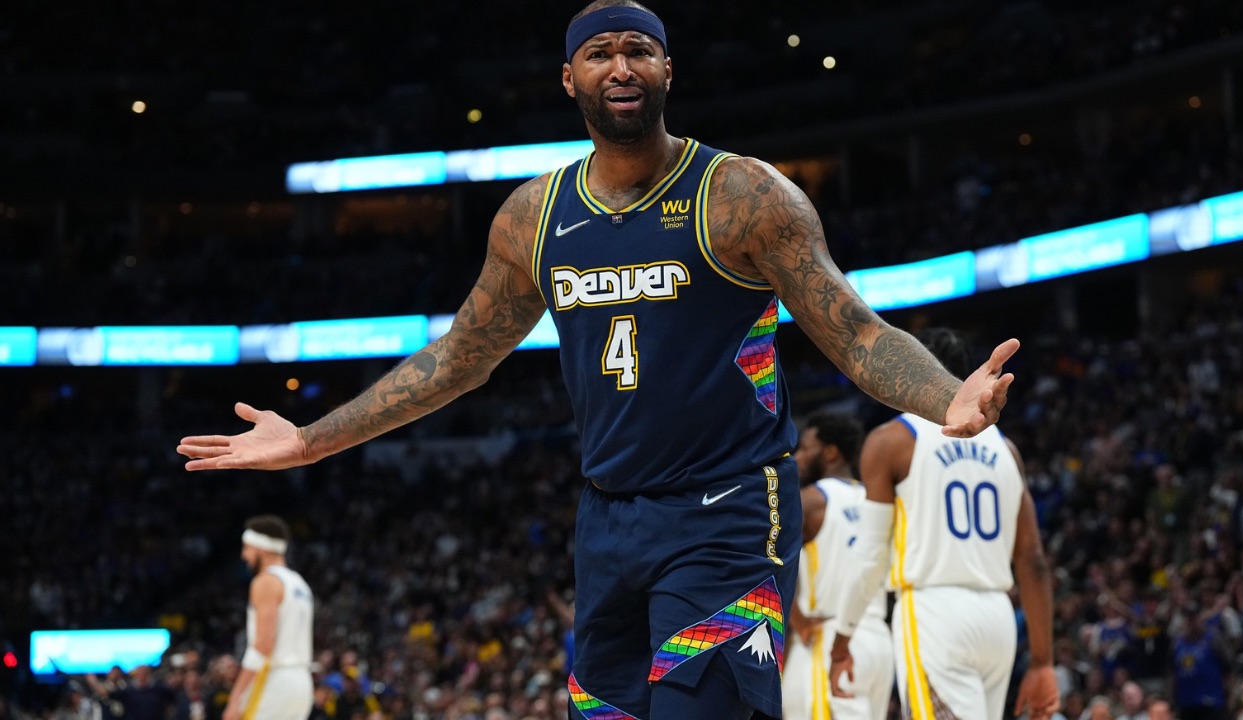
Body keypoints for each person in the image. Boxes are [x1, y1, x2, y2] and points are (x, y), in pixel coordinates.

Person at [176, 3, 1019, 716]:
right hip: (608, 521)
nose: (621, 66)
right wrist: (313, 439)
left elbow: (857, 331)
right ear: (570, 78)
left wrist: (945, 395)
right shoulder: (534, 217)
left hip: (727, 513)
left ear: (666, 71)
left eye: (639, 51)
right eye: (601, 53)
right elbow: (460, 358)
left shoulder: (743, 195)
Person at [828, 328, 1056, 720]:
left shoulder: (891, 440)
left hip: (933, 613)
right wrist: (1042, 661)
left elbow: (869, 556)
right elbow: (1032, 559)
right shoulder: (1007, 449)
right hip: (997, 619)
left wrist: (842, 639)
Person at [781, 412, 893, 720]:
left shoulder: (811, 500)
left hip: (828, 635)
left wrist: (798, 621)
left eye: (805, 448)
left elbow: (766, 560)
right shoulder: (879, 499)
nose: (798, 457)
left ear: (830, 452)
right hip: (879, 641)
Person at [224, 515, 315, 720]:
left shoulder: (266, 581)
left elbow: (263, 645)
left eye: (247, 548)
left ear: (262, 548)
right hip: (302, 681)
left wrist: (235, 698)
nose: (243, 555)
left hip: (275, 680)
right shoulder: (299, 583)